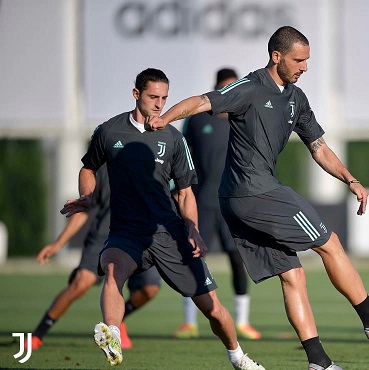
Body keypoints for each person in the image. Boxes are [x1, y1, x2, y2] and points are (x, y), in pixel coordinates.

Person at [146, 26, 369, 370]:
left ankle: (319, 362)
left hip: (242, 198)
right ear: (277, 56)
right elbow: (202, 101)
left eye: (307, 60)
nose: (305, 67)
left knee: (293, 275)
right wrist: (164, 119)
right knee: (330, 242)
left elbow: (318, 147)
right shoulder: (249, 87)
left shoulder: (296, 98)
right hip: (254, 190)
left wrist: (351, 179)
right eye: (299, 60)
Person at [60, 68, 265, 370]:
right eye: (153, 97)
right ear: (136, 95)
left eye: (164, 98)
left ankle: (238, 357)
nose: (159, 104)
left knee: (214, 309)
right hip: (126, 230)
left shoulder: (172, 137)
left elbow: (184, 194)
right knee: (114, 268)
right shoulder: (109, 131)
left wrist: (193, 229)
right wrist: (87, 196)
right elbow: (88, 168)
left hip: (168, 232)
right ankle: (113, 335)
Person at [26, 167, 161, 351]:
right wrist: (58, 244)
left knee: (150, 288)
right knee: (81, 284)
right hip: (104, 236)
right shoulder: (100, 168)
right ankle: (37, 336)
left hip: (139, 237)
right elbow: (83, 210)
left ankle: (117, 321)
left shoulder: (147, 158)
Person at [174, 68, 261, 341]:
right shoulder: (198, 120)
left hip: (233, 205)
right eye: (225, 88)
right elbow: (182, 158)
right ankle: (189, 321)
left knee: (238, 259)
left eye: (235, 88)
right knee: (193, 258)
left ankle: (243, 322)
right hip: (201, 203)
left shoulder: (247, 119)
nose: (230, 93)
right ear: (216, 90)